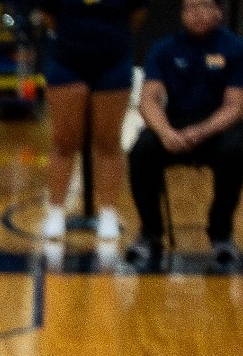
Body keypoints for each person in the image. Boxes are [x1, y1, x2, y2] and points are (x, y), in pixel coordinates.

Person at [123, 0, 243, 270]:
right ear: (182, 14)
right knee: (142, 150)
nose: (197, 13)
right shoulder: (165, 48)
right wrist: (166, 132)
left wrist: (200, 132)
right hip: (175, 123)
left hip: (218, 126)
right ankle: (150, 233)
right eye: (190, 7)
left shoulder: (235, 48)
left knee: (235, 150)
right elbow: (148, 100)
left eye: (204, 6)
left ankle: (221, 235)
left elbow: (236, 106)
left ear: (217, 12)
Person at [35, 0, 148, 243]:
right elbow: (48, 15)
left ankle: (107, 212)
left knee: (108, 141)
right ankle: (56, 210)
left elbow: (136, 15)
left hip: (113, 60)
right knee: (64, 141)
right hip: (67, 60)